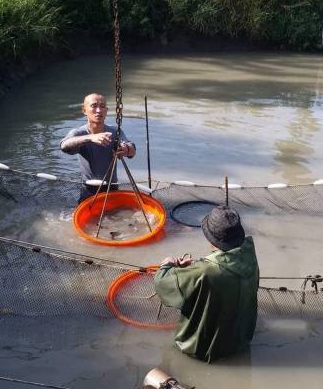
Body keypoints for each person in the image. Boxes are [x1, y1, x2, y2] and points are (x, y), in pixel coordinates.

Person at [153, 206, 259, 363]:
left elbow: (162, 283)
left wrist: (168, 264)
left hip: (203, 351)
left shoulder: (204, 271)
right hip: (241, 343)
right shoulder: (250, 256)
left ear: (211, 240)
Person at [60, 93, 136, 203]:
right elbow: (64, 145)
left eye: (102, 106)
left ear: (106, 110)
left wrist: (126, 149)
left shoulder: (114, 131)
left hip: (112, 187)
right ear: (84, 110)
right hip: (89, 189)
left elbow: (132, 151)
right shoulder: (78, 133)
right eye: (94, 106)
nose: (99, 110)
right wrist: (90, 138)